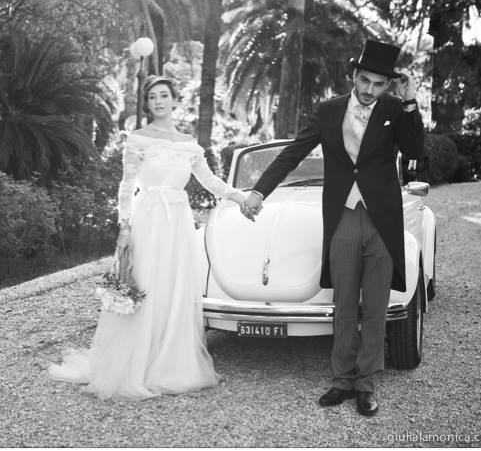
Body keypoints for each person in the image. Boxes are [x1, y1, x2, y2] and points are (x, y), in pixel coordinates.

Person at [240, 39, 425, 416]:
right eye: (365, 80)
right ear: (354, 76)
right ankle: (341, 380)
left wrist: (410, 103)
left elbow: (416, 151)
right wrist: (259, 191)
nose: (370, 90)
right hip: (342, 217)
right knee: (344, 305)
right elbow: (293, 153)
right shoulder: (328, 111)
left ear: (388, 85)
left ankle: (366, 384)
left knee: (375, 306)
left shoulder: (394, 108)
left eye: (379, 84)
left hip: (382, 220)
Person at [49, 75, 247, 400]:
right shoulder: (138, 139)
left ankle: (169, 362)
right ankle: (135, 363)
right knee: (146, 284)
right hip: (148, 219)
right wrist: (124, 225)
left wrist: (240, 197)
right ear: (147, 104)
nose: (158, 101)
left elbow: (210, 181)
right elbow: (127, 185)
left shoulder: (189, 144)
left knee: (174, 287)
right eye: (153, 97)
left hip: (178, 223)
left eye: (164, 95)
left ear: (174, 100)